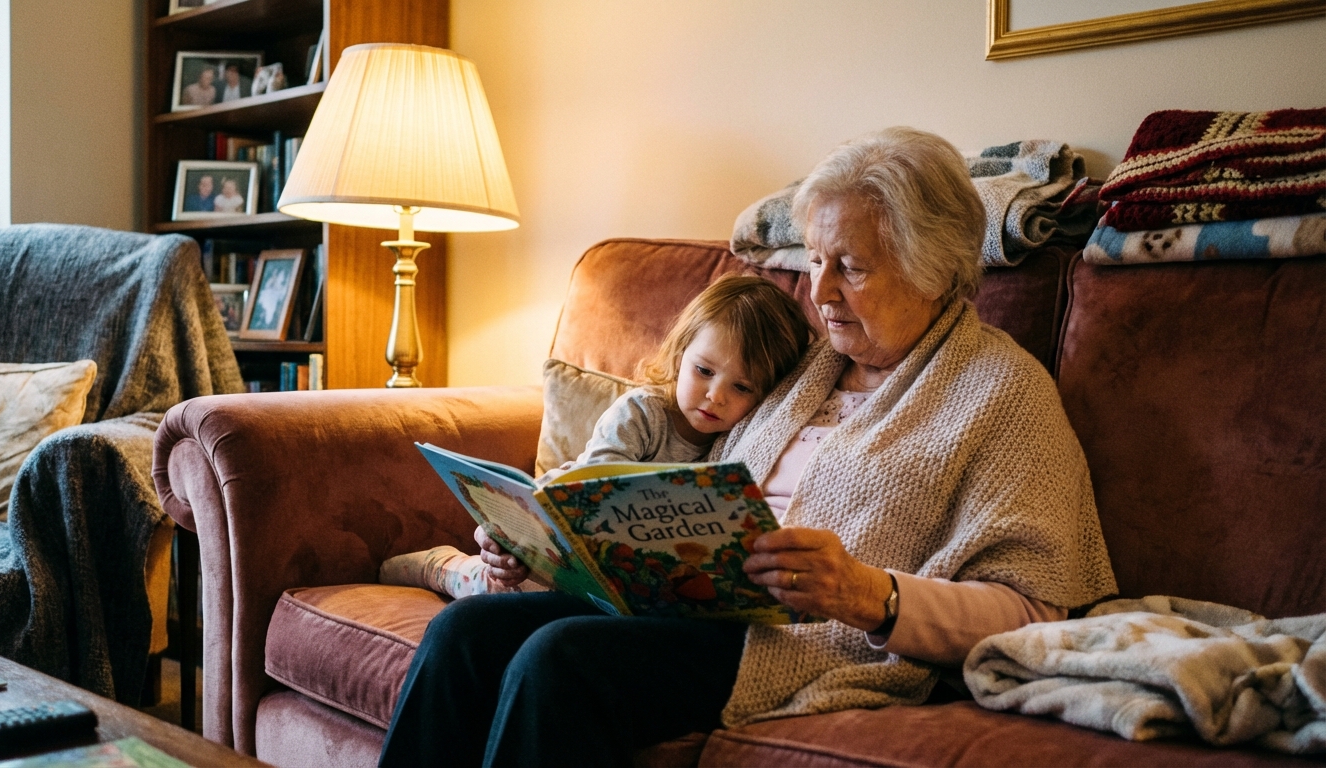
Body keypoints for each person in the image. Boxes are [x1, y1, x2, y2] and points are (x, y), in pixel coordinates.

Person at [378, 127, 1118, 768]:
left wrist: (868, 593)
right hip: (685, 605)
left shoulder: (1003, 391)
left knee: (560, 660)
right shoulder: (801, 368)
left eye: (850, 266)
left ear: (933, 267)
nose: (819, 291)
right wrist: (540, 543)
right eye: (816, 260)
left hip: (804, 642)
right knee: (464, 632)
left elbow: (1037, 613)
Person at [378, 274, 812, 598]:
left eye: (742, 387)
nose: (715, 396)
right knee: (492, 585)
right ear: (680, 356)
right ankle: (441, 565)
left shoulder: (742, 440)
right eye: (704, 371)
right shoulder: (642, 413)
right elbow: (587, 489)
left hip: (631, 577)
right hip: (560, 529)